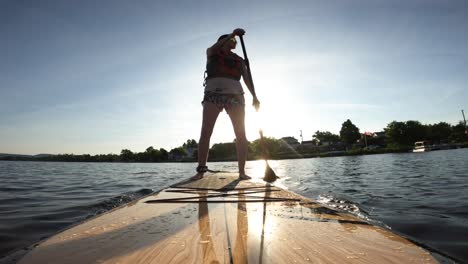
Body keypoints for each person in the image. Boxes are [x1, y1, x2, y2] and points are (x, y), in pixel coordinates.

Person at [196, 28, 260, 180]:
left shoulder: (239, 60)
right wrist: (232, 34)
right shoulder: (212, 52)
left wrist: (254, 96)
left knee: (241, 134)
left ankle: (242, 172)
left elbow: (247, 79)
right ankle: (201, 169)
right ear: (224, 41)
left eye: (236, 41)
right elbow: (214, 48)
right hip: (213, 95)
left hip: (236, 96)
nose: (235, 42)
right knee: (206, 131)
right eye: (233, 41)